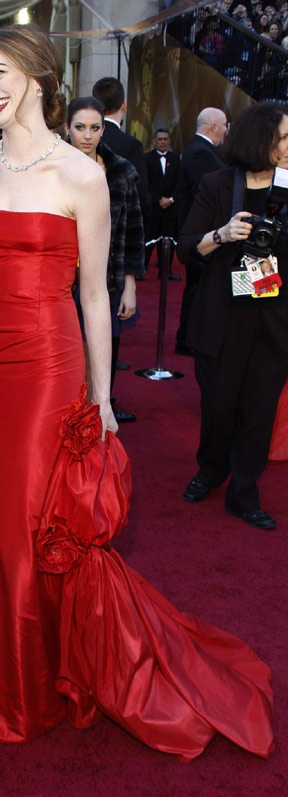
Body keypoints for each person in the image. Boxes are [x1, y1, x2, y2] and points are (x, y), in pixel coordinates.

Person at [0, 23, 273, 760]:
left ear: (35, 72)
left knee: (38, 515)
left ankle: (37, 672)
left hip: (49, 362)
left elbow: (94, 295)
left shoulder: (81, 174)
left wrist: (103, 398)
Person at [178, 102, 288, 530]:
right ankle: (211, 469)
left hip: (274, 319)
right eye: (283, 137)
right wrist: (220, 235)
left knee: (259, 411)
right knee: (219, 407)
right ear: (261, 140)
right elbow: (187, 246)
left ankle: (244, 491)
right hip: (223, 315)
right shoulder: (218, 185)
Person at [66, 96, 142, 424]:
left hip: (107, 278)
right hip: (61, 279)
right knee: (69, 351)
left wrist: (130, 286)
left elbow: (133, 231)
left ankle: (101, 404)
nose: (87, 135)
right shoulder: (54, 170)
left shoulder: (122, 172)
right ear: (66, 129)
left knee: (104, 342)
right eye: (80, 127)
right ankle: (70, 410)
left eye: (94, 128)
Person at [176, 107, 228, 355]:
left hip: (204, 235)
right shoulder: (200, 152)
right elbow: (207, 196)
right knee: (196, 289)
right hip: (199, 236)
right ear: (215, 127)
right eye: (225, 125)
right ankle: (187, 338)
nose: (227, 131)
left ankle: (188, 337)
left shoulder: (201, 150)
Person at [91, 76, 150, 219]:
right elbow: (141, 198)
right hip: (118, 229)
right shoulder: (131, 145)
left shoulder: (73, 141)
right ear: (124, 105)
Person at [145, 127, 181, 280]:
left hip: (170, 208)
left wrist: (171, 199)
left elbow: (180, 181)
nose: (163, 142)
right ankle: (142, 268)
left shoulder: (176, 159)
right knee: (148, 239)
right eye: (160, 139)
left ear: (169, 141)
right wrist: (157, 199)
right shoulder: (146, 158)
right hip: (153, 207)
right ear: (154, 141)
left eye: (165, 139)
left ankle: (166, 271)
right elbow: (145, 182)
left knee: (168, 241)